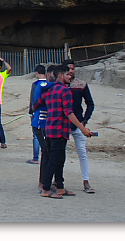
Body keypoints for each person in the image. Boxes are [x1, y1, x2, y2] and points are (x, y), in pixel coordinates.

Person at [33, 64, 93, 198]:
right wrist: (82, 128)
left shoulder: (49, 90)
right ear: (61, 75)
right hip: (60, 130)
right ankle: (46, 188)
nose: (70, 77)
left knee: (59, 159)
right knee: (55, 160)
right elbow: (69, 112)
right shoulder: (65, 91)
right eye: (68, 75)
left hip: (49, 129)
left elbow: (36, 104)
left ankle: (60, 186)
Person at [65, 59, 96, 194]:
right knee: (59, 153)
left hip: (78, 123)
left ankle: (86, 181)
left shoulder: (81, 84)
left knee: (82, 153)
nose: (71, 71)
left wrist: (84, 121)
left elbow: (90, 103)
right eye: (69, 69)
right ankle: (57, 180)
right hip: (63, 124)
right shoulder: (60, 85)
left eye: (73, 68)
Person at [30, 65, 55, 191]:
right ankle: (43, 182)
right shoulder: (43, 85)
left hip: (48, 123)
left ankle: (48, 181)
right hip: (40, 122)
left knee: (49, 152)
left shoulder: (43, 85)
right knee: (46, 151)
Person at [27, 64, 47, 164]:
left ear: (37, 73)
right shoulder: (50, 84)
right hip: (48, 112)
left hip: (37, 112)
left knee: (36, 135)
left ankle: (35, 157)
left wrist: (31, 111)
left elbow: (33, 99)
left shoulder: (35, 85)